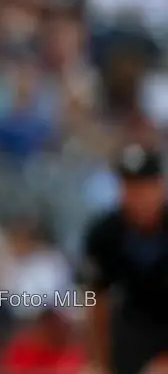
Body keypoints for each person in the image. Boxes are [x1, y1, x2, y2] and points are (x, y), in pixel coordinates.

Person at [82, 144, 168, 374]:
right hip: (132, 325)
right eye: (128, 187)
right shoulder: (105, 233)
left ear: (159, 186)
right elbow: (96, 301)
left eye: (142, 187)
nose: (134, 196)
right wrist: (100, 362)